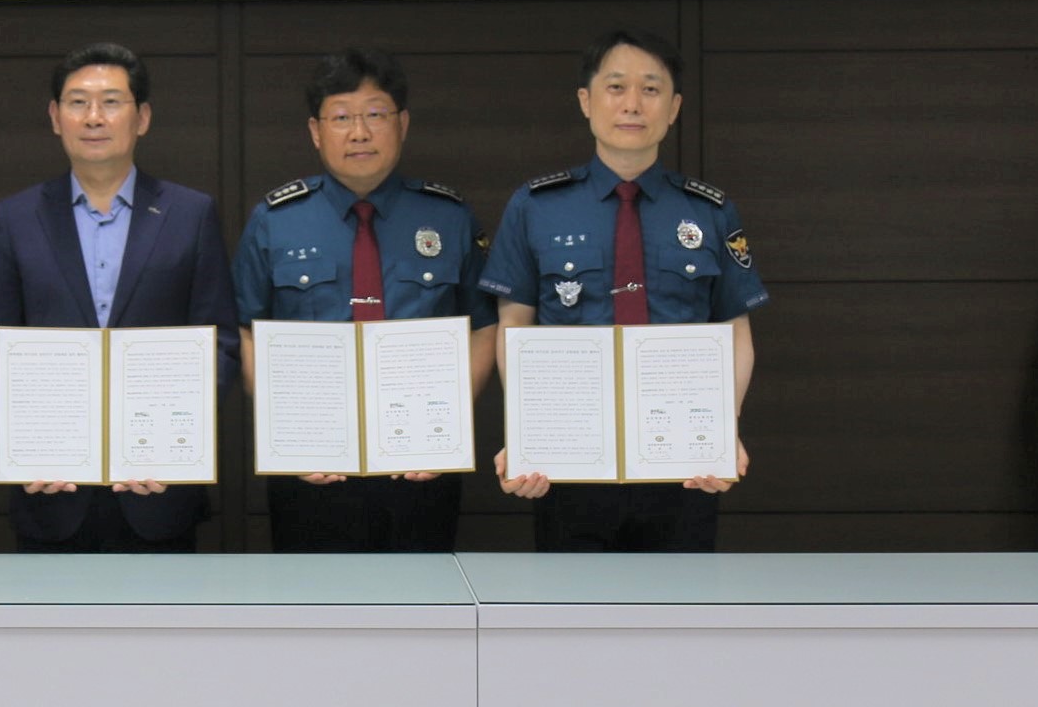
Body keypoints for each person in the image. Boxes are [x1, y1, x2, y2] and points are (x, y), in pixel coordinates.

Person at [480, 28, 766, 551]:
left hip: (683, 462)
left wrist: (721, 428)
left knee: (680, 599)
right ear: (586, 101)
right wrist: (525, 430)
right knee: (572, 600)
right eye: (616, 87)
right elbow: (514, 325)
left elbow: (735, 331)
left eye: (651, 89)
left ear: (674, 108)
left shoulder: (710, 210)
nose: (633, 104)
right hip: (570, 458)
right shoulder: (535, 206)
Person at [0, 43, 240, 552]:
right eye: (78, 102)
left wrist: (178, 444)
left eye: (111, 102)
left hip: (158, 488)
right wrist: (27, 442)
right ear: (56, 117)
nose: (94, 117)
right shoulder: (18, 217)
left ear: (143, 118)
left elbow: (221, 344)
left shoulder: (190, 214)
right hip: (51, 487)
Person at [231, 48, 496, 551]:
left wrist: (448, 423)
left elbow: (484, 326)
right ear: (316, 131)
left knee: (424, 597)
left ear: (402, 124)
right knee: (313, 597)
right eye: (341, 118)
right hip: (310, 468)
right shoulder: (275, 220)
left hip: (421, 466)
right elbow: (244, 329)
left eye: (375, 115)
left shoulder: (449, 217)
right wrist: (287, 428)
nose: (359, 132)